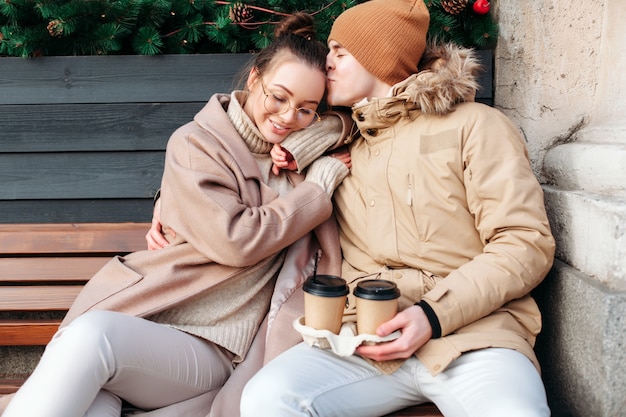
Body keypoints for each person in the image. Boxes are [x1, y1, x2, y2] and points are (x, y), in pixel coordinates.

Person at [1, 13, 352, 417]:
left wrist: (319, 139)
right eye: (279, 97)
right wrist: (314, 191)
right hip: (150, 319)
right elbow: (237, 239)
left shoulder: (306, 158)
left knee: (92, 338)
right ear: (254, 79)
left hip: (213, 346)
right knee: (95, 404)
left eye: (307, 109)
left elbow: (359, 119)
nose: (289, 117)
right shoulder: (198, 143)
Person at [239, 0, 556, 416]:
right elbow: (247, 124)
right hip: (364, 339)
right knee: (269, 397)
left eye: (339, 51)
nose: (326, 61)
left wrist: (433, 315)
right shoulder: (338, 144)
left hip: (475, 337)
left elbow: (525, 242)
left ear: (379, 58)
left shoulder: (476, 126)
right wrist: (170, 209)